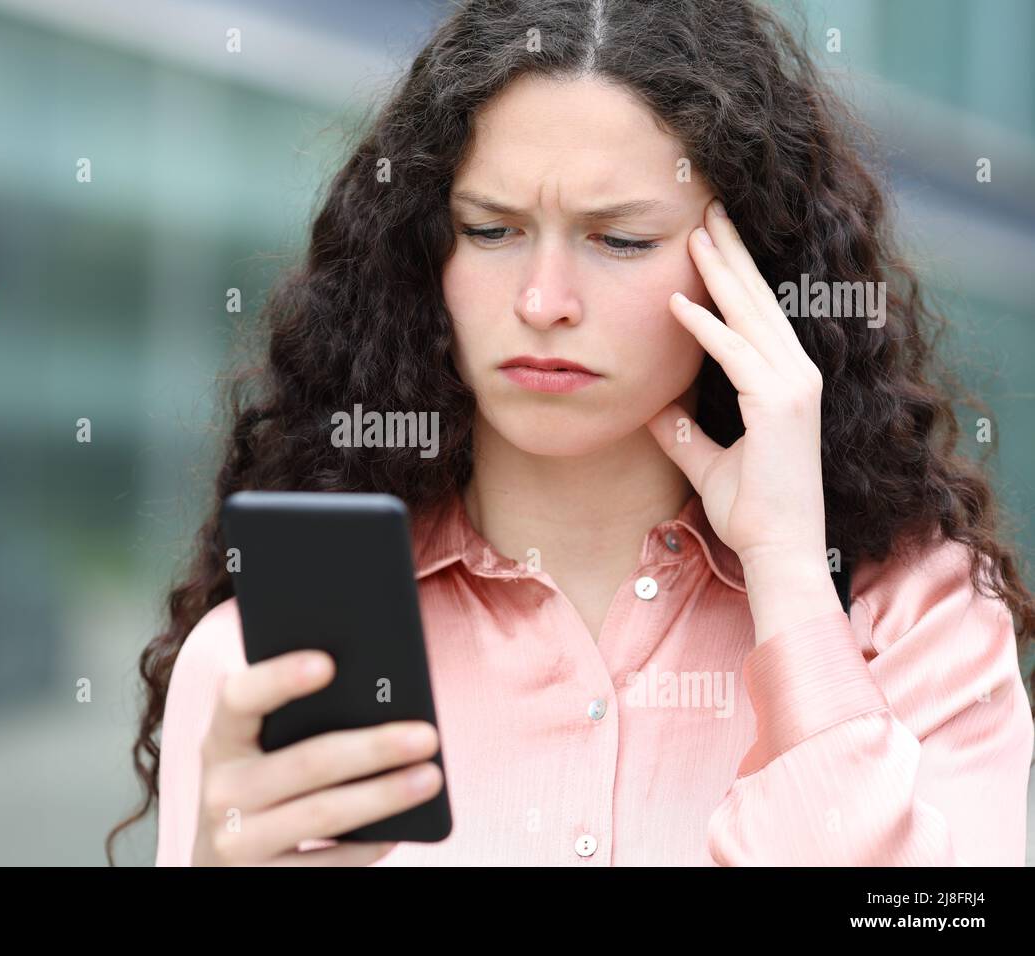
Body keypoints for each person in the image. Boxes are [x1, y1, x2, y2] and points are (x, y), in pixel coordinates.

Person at [109, 0, 1035, 866]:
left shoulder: (920, 619)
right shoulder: (267, 662)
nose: (543, 303)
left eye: (619, 240)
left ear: (750, 266)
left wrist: (792, 577)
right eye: (490, 230)